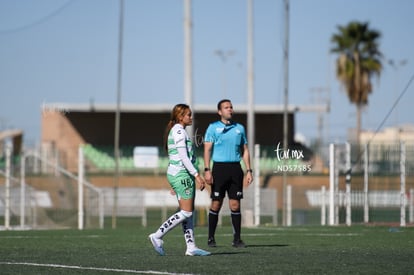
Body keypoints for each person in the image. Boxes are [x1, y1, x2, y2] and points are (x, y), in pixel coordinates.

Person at [148, 104, 211, 256]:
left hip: (181, 175)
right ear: (180, 117)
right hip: (182, 175)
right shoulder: (178, 131)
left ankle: (191, 247)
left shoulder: (179, 130)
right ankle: (157, 236)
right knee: (187, 212)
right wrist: (197, 175)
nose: (191, 117)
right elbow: (183, 157)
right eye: (188, 114)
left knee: (188, 212)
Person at [203, 99, 253, 248]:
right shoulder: (212, 128)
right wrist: (207, 170)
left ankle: (237, 239)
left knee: (235, 204)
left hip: (236, 169)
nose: (230, 109)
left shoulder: (240, 128)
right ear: (220, 112)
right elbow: (207, 150)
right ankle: (211, 238)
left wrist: (249, 170)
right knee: (216, 203)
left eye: (231, 107)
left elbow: (245, 150)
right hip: (219, 169)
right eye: (226, 107)